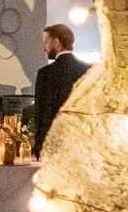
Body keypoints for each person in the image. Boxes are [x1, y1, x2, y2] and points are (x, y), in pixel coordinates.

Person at [33, 24, 88, 154]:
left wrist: (40, 145)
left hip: (56, 144)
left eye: (46, 42)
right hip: (82, 143)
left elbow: (43, 114)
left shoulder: (46, 73)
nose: (45, 48)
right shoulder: (87, 70)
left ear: (56, 42)